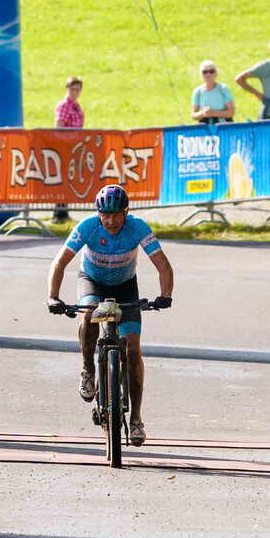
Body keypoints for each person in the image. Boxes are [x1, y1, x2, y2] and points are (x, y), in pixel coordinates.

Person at [45, 183, 175, 446]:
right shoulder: (88, 226)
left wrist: (165, 294)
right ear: (98, 213)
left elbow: (163, 264)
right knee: (88, 314)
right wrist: (53, 296)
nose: (111, 221)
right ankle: (88, 369)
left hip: (125, 286)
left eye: (116, 215)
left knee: (133, 349)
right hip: (92, 281)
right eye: (105, 215)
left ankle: (136, 419)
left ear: (126, 212)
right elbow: (60, 262)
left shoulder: (137, 227)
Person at [53, 76, 84, 221]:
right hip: (64, 146)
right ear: (67, 89)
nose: (75, 92)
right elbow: (59, 126)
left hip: (74, 147)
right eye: (72, 89)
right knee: (63, 179)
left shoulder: (76, 106)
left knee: (68, 179)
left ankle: (63, 212)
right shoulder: (65, 105)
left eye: (77, 89)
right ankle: (59, 213)